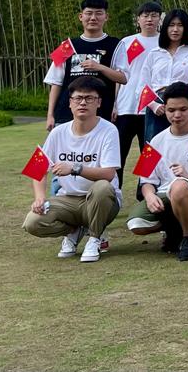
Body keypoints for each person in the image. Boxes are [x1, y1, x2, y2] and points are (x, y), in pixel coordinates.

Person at [23, 77, 121, 264]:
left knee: (102, 187)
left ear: (99, 103)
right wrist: (40, 198)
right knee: (32, 222)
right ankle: (74, 230)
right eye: (78, 98)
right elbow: (37, 169)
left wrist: (75, 168)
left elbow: (109, 174)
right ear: (70, 103)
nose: (83, 103)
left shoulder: (108, 130)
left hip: (100, 200)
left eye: (89, 98)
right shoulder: (58, 132)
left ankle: (95, 238)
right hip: (68, 199)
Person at [125, 82, 188, 261]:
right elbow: (145, 180)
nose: (177, 115)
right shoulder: (155, 140)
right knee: (136, 223)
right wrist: (150, 196)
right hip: (166, 195)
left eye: (183, 109)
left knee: (179, 186)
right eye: (171, 110)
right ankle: (174, 230)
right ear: (165, 109)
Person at [44, 0, 123, 130]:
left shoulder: (116, 44)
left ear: (106, 17)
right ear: (81, 16)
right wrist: (50, 115)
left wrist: (99, 67)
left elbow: (123, 78)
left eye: (99, 13)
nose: (93, 18)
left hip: (101, 115)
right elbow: (55, 82)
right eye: (89, 13)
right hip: (65, 115)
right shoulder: (66, 45)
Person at [111, 0, 168, 182]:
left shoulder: (165, 42)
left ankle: (146, 190)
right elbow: (118, 75)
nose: (149, 19)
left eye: (154, 15)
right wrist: (114, 104)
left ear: (160, 19)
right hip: (126, 106)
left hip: (152, 108)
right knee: (118, 154)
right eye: (145, 15)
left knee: (150, 154)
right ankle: (114, 190)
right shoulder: (127, 42)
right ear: (138, 19)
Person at [149, 9, 188, 142]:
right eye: (171, 25)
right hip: (158, 104)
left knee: (185, 142)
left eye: (180, 25)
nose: (175, 29)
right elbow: (142, 85)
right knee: (155, 146)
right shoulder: (154, 53)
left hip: (183, 103)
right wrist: (153, 105)